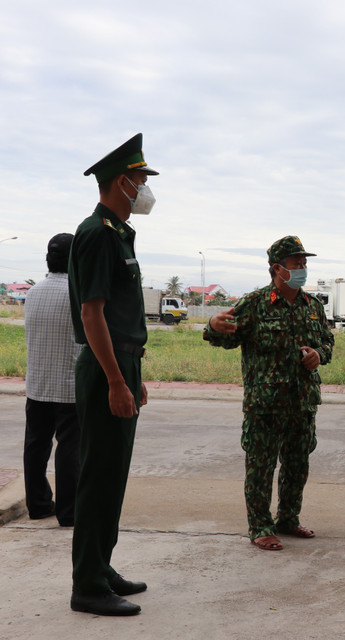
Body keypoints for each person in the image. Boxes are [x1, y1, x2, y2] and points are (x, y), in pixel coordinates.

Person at [68, 133, 158, 616]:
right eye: (140, 179)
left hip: (122, 362)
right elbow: (92, 314)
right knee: (98, 476)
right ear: (121, 182)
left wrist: (132, 372)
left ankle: (101, 567)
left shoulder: (119, 233)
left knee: (113, 475)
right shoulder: (98, 233)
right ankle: (87, 585)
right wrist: (116, 380)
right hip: (106, 368)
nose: (145, 188)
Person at [204, 236, 335, 551]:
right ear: (278, 268)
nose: (303, 268)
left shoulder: (313, 306)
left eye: (305, 263)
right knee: (261, 466)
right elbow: (220, 335)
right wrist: (211, 323)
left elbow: (328, 344)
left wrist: (318, 353)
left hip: (302, 402)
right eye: (297, 263)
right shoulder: (255, 303)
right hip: (265, 404)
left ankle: (288, 519)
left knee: (297, 464)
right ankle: (260, 526)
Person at [23, 233, 82, 527]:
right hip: (69, 386)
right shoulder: (78, 293)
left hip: (37, 384)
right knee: (69, 447)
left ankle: (37, 504)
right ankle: (69, 512)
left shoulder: (33, 293)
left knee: (36, 445)